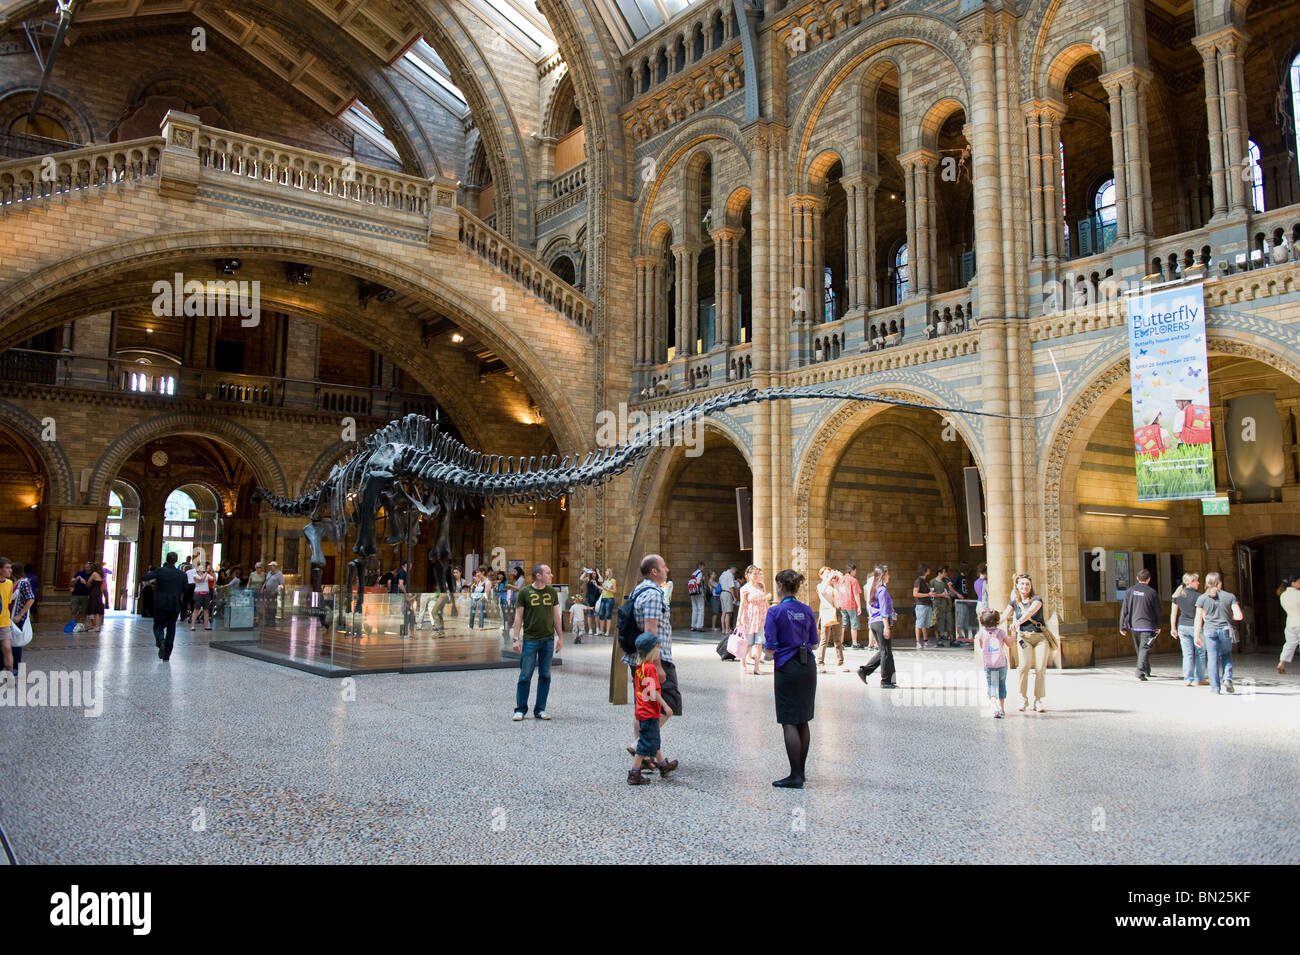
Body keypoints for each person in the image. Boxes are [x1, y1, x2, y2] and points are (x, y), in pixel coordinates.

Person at [763, 569, 819, 789]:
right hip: (808, 666)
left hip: (787, 666)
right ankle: (801, 772)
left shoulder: (775, 612)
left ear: (780, 586)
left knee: (788, 720)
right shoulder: (806, 610)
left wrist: (770, 654)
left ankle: (794, 775)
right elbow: (815, 643)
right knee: (803, 719)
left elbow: (769, 647)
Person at [623, 555, 681, 761]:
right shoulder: (655, 595)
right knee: (670, 703)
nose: (667, 569)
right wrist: (657, 666)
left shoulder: (637, 590)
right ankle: (640, 745)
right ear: (654, 571)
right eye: (664, 566)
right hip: (654, 658)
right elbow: (650, 631)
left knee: (644, 706)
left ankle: (647, 757)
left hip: (636, 658)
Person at [511, 563, 563, 720]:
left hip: (547, 640)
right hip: (530, 640)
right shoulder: (525, 593)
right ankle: (520, 709)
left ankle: (540, 709)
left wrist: (560, 637)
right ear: (539, 575)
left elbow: (556, 616)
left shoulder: (552, 592)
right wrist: (516, 639)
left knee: (545, 675)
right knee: (525, 675)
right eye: (548, 572)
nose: (551, 575)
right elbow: (518, 617)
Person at [627, 631, 676, 785]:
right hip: (650, 711)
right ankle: (634, 773)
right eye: (657, 649)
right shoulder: (650, 668)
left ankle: (662, 765)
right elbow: (653, 691)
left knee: (653, 738)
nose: (659, 652)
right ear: (651, 651)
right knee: (644, 745)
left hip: (643, 710)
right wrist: (666, 706)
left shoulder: (639, 667)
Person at [1004, 573, 1054, 712]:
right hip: (1024, 638)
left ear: (1030, 586)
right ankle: (1023, 697)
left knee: (1040, 668)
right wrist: (989, 621)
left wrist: (1018, 622)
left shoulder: (1037, 599)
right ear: (1017, 586)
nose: (1025, 586)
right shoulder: (1014, 603)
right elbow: (1003, 615)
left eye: (1027, 584)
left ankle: (1038, 700)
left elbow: (1030, 613)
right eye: (1022, 584)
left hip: (1040, 638)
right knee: (1024, 667)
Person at [1194, 572, 1243, 694]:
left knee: (1212, 657)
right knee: (1226, 654)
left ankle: (1215, 688)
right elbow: (1239, 616)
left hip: (1209, 630)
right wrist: (1229, 615)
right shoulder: (1230, 597)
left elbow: (1198, 618)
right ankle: (1227, 679)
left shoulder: (1202, 598)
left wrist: (1196, 635)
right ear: (1220, 583)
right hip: (1225, 629)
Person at [857, 565, 898, 688]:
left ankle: (867, 672)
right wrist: (887, 626)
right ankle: (885, 680)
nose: (889, 576)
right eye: (887, 574)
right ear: (883, 575)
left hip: (874, 622)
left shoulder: (875, 589)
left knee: (885, 651)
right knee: (885, 652)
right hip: (881, 622)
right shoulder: (882, 590)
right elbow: (884, 610)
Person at [1119, 567, 1162, 682]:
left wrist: (1122, 626)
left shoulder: (1130, 591)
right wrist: (1158, 625)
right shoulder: (1152, 592)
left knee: (1141, 649)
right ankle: (1139, 671)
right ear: (1149, 579)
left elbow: (1124, 609)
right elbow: (1157, 610)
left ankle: (1146, 670)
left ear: (1138, 578)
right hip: (1147, 626)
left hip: (1134, 625)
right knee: (1145, 648)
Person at [143, 553, 188, 661]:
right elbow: (186, 588)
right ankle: (167, 655)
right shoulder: (182, 574)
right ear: (176, 561)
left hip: (161, 603)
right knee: (171, 628)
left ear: (166, 560)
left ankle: (160, 641)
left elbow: (144, 577)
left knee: (158, 626)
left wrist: (154, 581)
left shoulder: (160, 571)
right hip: (175, 604)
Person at [1170, 573, 1206, 686]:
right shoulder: (1199, 596)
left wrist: (1173, 628)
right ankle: (1199, 678)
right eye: (1196, 581)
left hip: (1182, 626)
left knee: (1187, 654)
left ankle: (1187, 678)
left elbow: (1173, 613)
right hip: (1196, 627)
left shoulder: (1177, 595)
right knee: (1200, 653)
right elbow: (1202, 615)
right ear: (1191, 582)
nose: (1198, 583)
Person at [735, 565, 769, 675]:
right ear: (748, 575)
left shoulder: (762, 585)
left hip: (761, 617)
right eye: (754, 573)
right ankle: (743, 662)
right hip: (749, 617)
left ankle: (756, 667)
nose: (756, 575)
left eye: (757, 573)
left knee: (759, 643)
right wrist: (739, 618)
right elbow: (743, 604)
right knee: (748, 643)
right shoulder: (744, 589)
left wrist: (769, 613)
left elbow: (764, 601)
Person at [976, 608, 1009, 718]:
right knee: (1001, 684)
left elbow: (981, 646)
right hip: (1001, 662)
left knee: (991, 685)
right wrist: (1014, 634)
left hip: (989, 663)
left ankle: (994, 706)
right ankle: (1002, 708)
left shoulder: (981, 634)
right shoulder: (1001, 632)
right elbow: (1009, 644)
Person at [815, 567, 846, 673]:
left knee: (838, 639)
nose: (829, 575)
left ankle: (840, 662)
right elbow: (822, 591)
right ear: (821, 575)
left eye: (829, 573)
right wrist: (829, 578)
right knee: (824, 639)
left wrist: (840, 579)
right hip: (826, 612)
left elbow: (844, 591)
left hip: (836, 612)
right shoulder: (820, 585)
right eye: (826, 573)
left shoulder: (834, 585)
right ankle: (820, 662)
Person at [8, 562, 35, 678]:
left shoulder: (24, 583)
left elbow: (30, 599)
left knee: (16, 642)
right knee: (9, 641)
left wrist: (20, 614)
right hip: (10, 617)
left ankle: (15, 668)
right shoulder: (13, 583)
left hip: (18, 617)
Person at [835, 563, 864, 650]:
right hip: (851, 604)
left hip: (842, 604)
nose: (855, 572)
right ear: (852, 570)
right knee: (854, 624)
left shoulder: (841, 580)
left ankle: (840, 642)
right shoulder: (853, 580)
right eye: (855, 571)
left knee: (843, 624)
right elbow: (856, 594)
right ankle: (854, 643)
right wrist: (859, 606)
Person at [1277, 576, 1300, 675]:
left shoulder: (1283, 595)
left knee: (1289, 644)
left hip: (1290, 622)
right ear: (1293, 583)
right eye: (1299, 582)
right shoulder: (1298, 594)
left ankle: (1282, 663)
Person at [913, 563, 934, 649]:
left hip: (927, 604)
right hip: (921, 605)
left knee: (925, 624)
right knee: (919, 623)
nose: (929, 571)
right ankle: (918, 642)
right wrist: (927, 595)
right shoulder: (918, 581)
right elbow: (915, 593)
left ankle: (926, 641)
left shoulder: (925, 581)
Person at [190, 562, 216, 630]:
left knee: (206, 610)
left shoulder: (207, 575)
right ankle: (192, 626)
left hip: (206, 594)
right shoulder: (195, 576)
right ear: (198, 569)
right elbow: (201, 580)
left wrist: (213, 573)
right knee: (196, 609)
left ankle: (206, 625)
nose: (202, 569)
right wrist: (207, 573)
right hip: (198, 594)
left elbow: (213, 579)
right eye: (201, 568)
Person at [0, 558, 14, 682]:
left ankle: (9, 676)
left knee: (7, 648)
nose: (10, 570)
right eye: (7, 567)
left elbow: (7, 602)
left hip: (4, 622)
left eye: (10, 567)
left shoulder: (9, 583)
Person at [262, 561, 285, 625]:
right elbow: (266, 581)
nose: (270, 567)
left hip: (274, 593)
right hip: (267, 592)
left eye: (271, 566)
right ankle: (267, 621)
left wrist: (276, 591)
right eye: (270, 566)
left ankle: (272, 621)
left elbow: (282, 584)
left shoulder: (279, 574)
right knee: (267, 607)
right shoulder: (269, 573)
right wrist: (263, 588)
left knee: (272, 607)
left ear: (275, 566)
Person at [70, 559, 92, 626]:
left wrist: (85, 583)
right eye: (86, 566)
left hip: (85, 595)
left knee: (84, 611)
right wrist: (76, 580)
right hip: (75, 594)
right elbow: (72, 582)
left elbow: (91, 587)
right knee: (74, 610)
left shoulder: (92, 575)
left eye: (88, 566)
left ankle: (82, 624)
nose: (86, 567)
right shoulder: (79, 573)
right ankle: (73, 623)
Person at [718, 564, 739, 634]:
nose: (735, 572)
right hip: (727, 593)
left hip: (722, 593)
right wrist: (734, 597)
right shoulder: (730, 575)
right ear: (732, 569)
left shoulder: (723, 574)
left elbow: (720, 583)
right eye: (735, 571)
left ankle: (723, 629)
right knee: (728, 613)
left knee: (723, 613)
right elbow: (731, 587)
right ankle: (727, 630)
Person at [85, 562, 105, 631]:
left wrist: (85, 582)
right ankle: (98, 626)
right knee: (98, 609)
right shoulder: (101, 574)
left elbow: (88, 582)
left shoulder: (94, 574)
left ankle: (95, 626)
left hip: (94, 592)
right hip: (99, 592)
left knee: (94, 609)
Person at [688, 561, 707, 632]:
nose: (704, 568)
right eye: (704, 566)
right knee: (701, 609)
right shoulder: (700, 573)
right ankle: (699, 626)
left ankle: (693, 626)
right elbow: (698, 582)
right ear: (701, 566)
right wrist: (702, 579)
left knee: (694, 609)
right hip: (699, 593)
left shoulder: (693, 573)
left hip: (692, 592)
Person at [598, 568, 617, 637]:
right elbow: (603, 589)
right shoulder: (605, 581)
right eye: (605, 571)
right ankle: (601, 631)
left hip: (609, 599)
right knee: (601, 614)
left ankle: (607, 631)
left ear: (609, 572)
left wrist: (608, 589)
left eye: (606, 571)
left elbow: (615, 591)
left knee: (608, 615)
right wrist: (596, 585)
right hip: (603, 598)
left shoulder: (613, 580)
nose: (605, 572)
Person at [584, 570, 601, 636]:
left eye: (595, 573)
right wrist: (586, 572)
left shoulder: (598, 580)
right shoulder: (588, 579)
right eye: (593, 573)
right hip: (589, 598)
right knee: (589, 614)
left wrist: (598, 572)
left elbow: (601, 580)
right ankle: (590, 629)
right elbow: (581, 578)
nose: (594, 574)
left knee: (596, 614)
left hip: (596, 598)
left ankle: (597, 628)